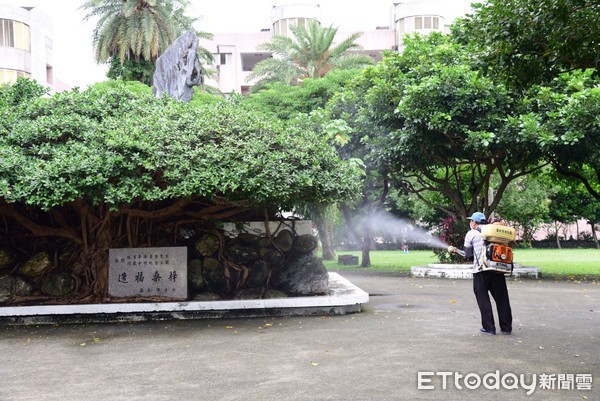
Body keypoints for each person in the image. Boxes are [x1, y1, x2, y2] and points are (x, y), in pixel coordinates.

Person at [450, 212, 513, 335]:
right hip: (498, 270)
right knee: (502, 300)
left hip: (481, 271)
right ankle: (506, 328)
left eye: (471, 221)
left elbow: (469, 255)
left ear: (474, 222)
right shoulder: (495, 233)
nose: (470, 223)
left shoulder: (471, 233)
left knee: (484, 301)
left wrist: (456, 250)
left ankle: (489, 328)